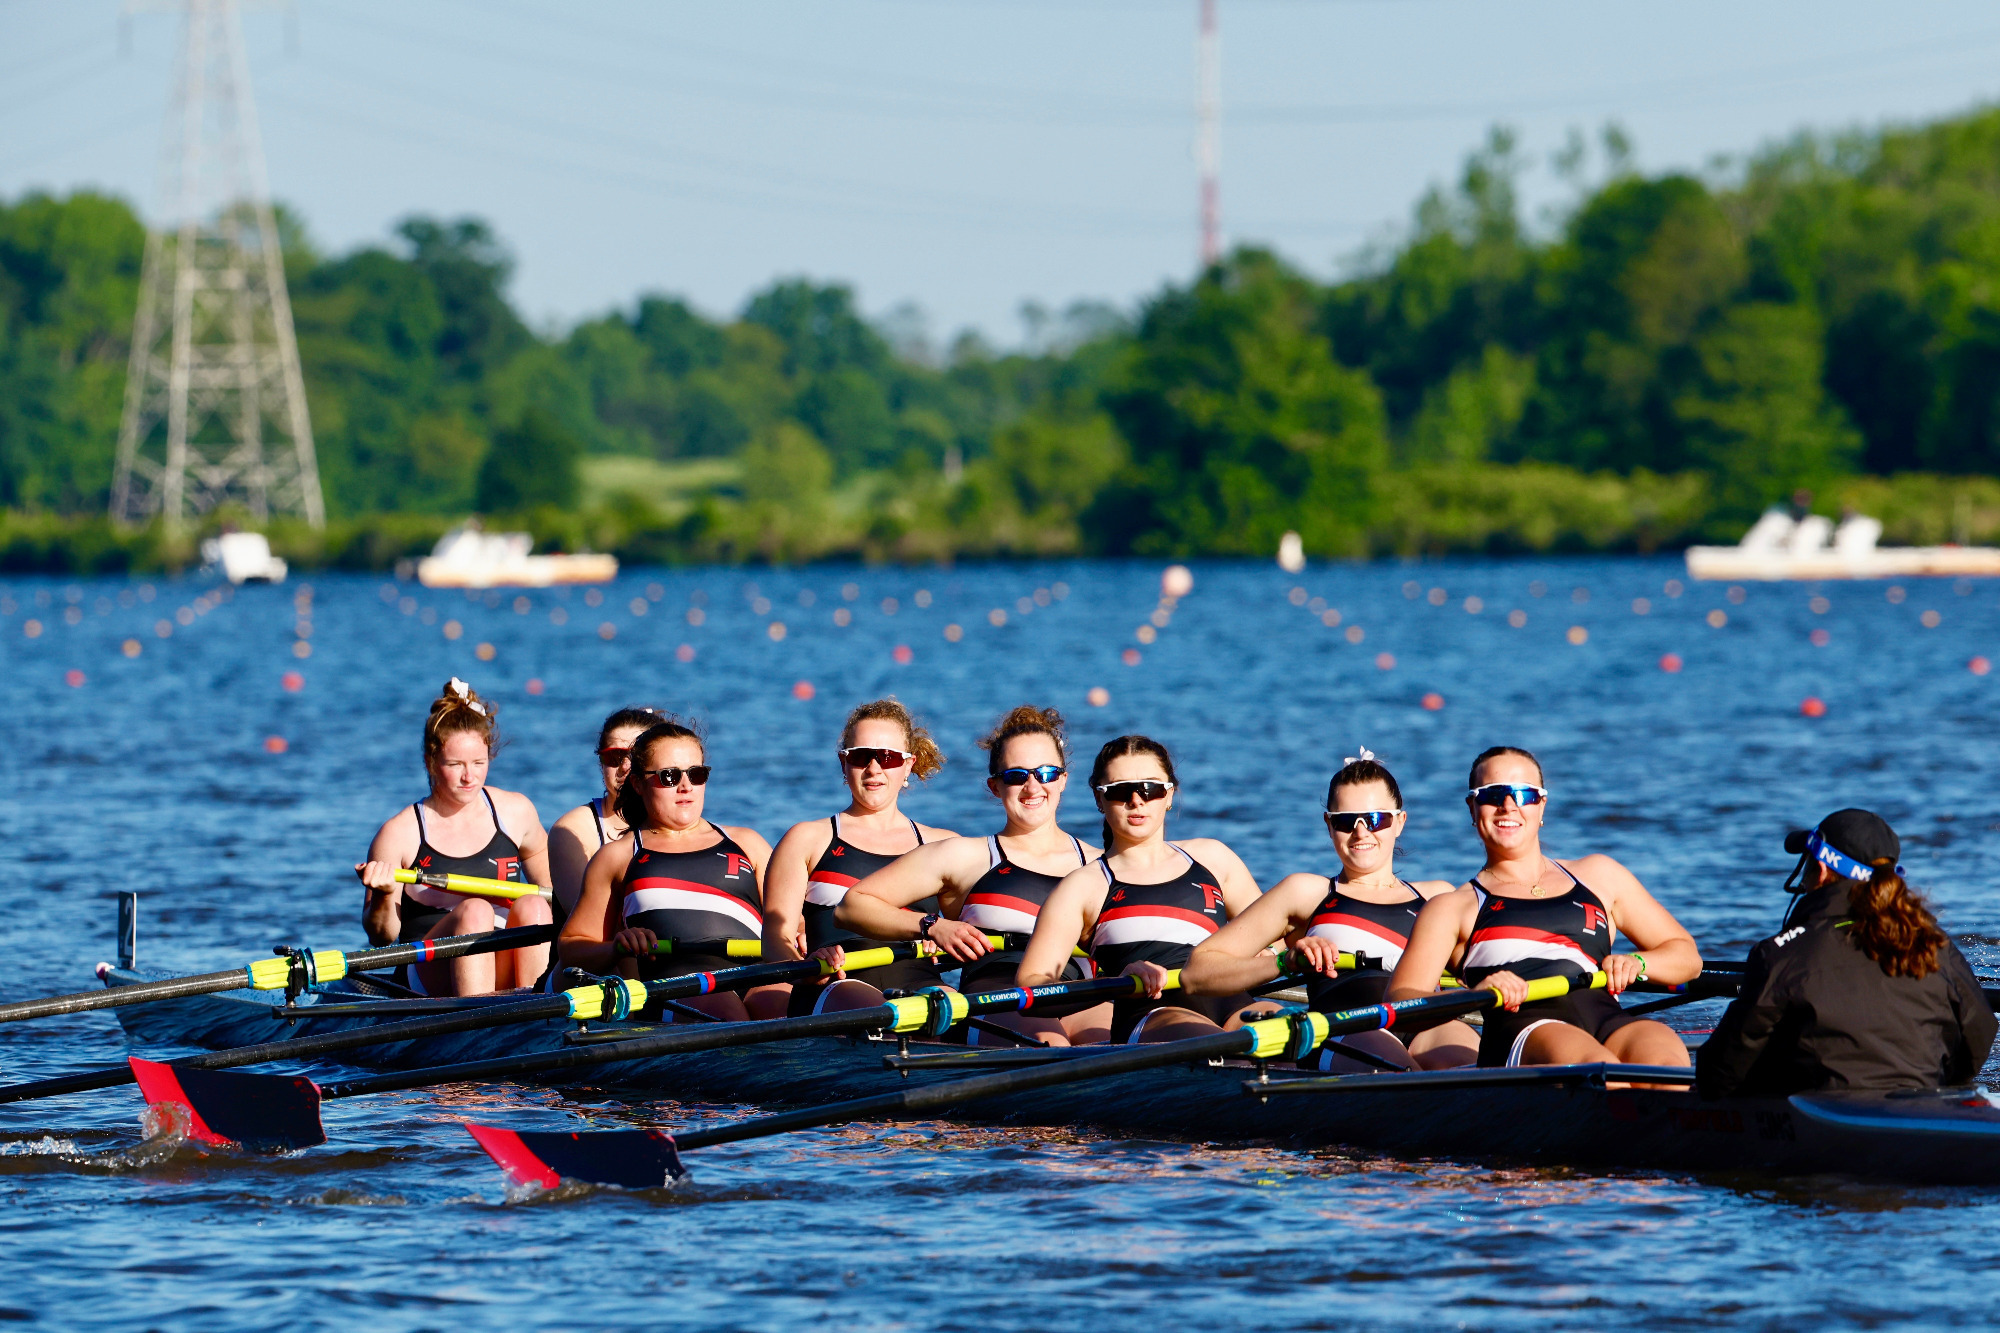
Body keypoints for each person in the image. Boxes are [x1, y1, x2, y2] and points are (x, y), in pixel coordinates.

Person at [1389, 746, 1701, 1070]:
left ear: (1541, 805)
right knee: (1598, 1067)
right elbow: (1400, 999)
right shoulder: (1452, 907)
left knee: (1664, 1056)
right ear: (1472, 807)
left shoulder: (1600, 875)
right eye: (1492, 794)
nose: (1508, 805)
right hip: (1523, 1032)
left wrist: (1638, 961)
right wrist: (1474, 994)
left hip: (1607, 1018)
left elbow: (1686, 956)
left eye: (1523, 794)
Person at [1185, 751, 1475, 1070]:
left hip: (1427, 1024)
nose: (1361, 832)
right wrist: (1285, 961)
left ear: (1399, 822)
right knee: (1397, 1068)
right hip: (1345, 1028)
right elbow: (1196, 972)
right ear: (1329, 824)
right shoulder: (1306, 892)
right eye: (1346, 821)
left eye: (1375, 819)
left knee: (1476, 1067)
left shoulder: (1438, 897)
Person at [834, 705, 1098, 1037]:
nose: (1032, 787)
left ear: (1063, 780)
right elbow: (851, 906)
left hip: (1082, 994)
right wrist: (932, 925)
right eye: (1016, 776)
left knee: (1113, 1048)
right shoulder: (964, 857)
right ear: (995, 786)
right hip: (1001, 997)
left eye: (1045, 773)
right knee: (1051, 1044)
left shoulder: (1099, 866)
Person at [1697, 809, 1996, 1098]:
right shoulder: (1934, 944)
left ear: (1821, 870)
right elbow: (1981, 1029)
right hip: (1923, 1110)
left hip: (1821, 1117)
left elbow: (1717, 1077)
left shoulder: (1779, 955)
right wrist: (1940, 1086)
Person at [1017, 735, 1266, 1045]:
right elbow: (1031, 985)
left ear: (1169, 795)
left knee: (1297, 1032)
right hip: (1152, 1013)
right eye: (1120, 791)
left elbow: (1276, 938)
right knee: (1223, 1047)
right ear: (1099, 799)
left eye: (1151, 789)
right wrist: (1113, 983)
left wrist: (1273, 952)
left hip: (1233, 1001)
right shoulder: (1083, 886)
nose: (1136, 800)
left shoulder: (1214, 858)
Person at [560, 716, 781, 1021]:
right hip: (675, 989)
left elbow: (792, 925)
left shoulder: (747, 843)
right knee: (724, 1010)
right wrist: (616, 948)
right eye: (669, 776)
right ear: (638, 784)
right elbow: (572, 949)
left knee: (782, 1003)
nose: (685, 786)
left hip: (756, 975)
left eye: (697, 774)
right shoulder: (618, 857)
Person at [355, 678, 554, 995]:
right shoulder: (399, 833)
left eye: (479, 763)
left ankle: (540, 1011)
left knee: (535, 906)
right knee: (475, 911)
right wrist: (382, 896)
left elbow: (557, 897)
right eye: (455, 764)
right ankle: (477, 1017)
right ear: (431, 762)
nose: (469, 777)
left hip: (503, 959)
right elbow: (381, 937)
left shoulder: (517, 812)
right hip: (427, 974)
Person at [761, 698, 960, 1015]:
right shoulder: (807, 839)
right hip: (833, 986)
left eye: (887, 757)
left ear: (909, 764)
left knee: (952, 1006)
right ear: (844, 763)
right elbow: (775, 939)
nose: (874, 768)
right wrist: (804, 968)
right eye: (860, 756)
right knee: (881, 1012)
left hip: (922, 982)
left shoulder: (944, 845)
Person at [548, 707, 661, 924]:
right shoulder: (571, 831)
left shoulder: (680, 823)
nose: (625, 766)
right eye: (614, 757)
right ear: (601, 763)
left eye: (636, 756)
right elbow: (588, 921)